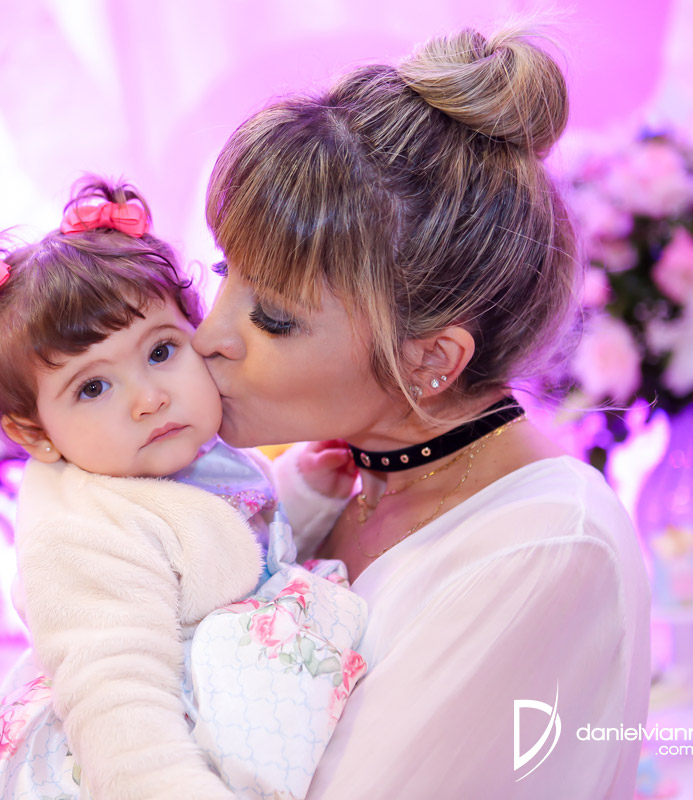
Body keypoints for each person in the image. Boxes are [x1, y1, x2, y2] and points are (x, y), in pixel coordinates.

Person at [191, 24, 651, 799]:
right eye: (221, 271)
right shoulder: (326, 485)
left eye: (272, 318)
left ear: (430, 360)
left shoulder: (543, 549)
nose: (208, 337)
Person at [0, 177, 369, 800]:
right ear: (36, 434)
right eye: (93, 387)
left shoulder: (191, 459)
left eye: (161, 351)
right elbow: (121, 717)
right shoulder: (80, 539)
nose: (149, 397)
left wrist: (306, 494)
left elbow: (234, 557)